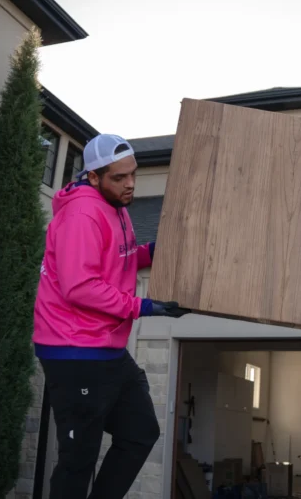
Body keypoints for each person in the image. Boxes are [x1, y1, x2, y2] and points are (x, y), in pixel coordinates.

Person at [33, 134, 189, 498]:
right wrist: (144, 306)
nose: (130, 183)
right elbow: (80, 286)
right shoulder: (82, 215)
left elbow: (122, 256)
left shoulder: (115, 208)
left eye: (133, 174)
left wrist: (157, 251)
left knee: (140, 432)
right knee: (77, 460)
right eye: (119, 178)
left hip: (106, 349)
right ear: (93, 177)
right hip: (73, 351)